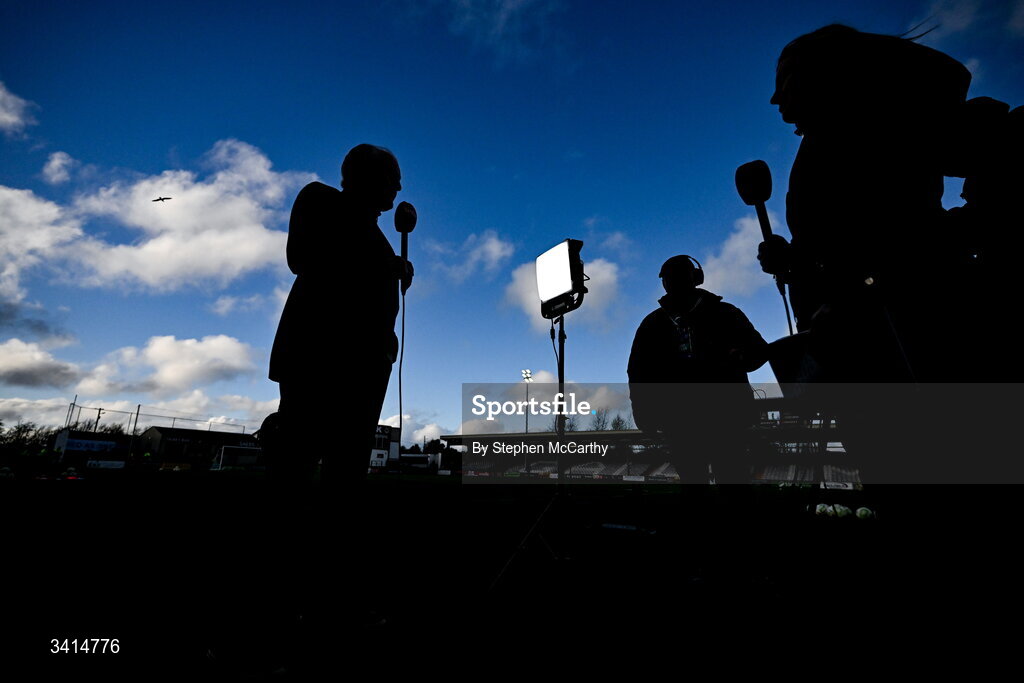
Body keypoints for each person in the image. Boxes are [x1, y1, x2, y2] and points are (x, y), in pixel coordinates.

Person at [264, 144, 414, 648]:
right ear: (366, 176)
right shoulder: (321, 201)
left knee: (339, 493)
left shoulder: (370, 233)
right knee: (299, 489)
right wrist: (385, 265)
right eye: (392, 178)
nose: (398, 189)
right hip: (323, 366)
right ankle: (275, 617)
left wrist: (390, 266)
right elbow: (306, 258)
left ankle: (324, 604)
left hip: (359, 373)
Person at [627, 255, 768, 484]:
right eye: (671, 278)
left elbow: (758, 352)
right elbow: (638, 373)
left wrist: (738, 357)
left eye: (677, 277)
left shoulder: (724, 314)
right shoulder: (653, 324)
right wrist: (644, 414)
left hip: (720, 421)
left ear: (694, 278)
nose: (673, 283)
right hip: (690, 425)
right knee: (714, 489)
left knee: (728, 487)